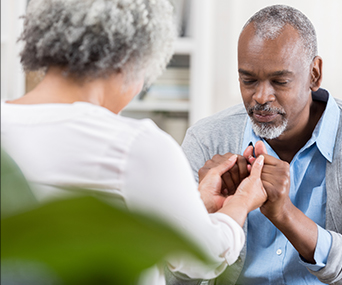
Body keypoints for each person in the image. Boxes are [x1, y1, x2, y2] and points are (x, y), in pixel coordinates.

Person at [0, 0, 269, 283]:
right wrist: (239, 203)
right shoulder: (134, 145)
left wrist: (192, 205)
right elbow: (198, 258)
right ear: (128, 59)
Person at [166, 4, 342, 285]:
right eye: (248, 80)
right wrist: (207, 221)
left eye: (280, 81)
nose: (261, 96)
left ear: (314, 74)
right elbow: (166, 277)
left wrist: (285, 214)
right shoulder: (206, 139)